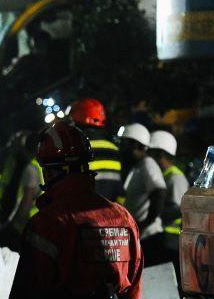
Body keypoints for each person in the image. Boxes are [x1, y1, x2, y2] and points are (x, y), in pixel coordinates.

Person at [3, 121, 143, 299]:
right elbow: (132, 287)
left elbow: (28, 296)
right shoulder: (122, 217)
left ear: (52, 170)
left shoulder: (47, 223)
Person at [119, 123, 169, 266]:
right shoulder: (138, 166)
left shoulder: (148, 163)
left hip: (150, 238)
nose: (121, 148)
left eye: (124, 144)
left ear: (135, 144)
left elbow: (159, 191)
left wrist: (146, 223)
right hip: (142, 237)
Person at [0, 130, 42, 249]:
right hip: (41, 222)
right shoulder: (44, 166)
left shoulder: (30, 169)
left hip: (26, 224)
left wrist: (14, 225)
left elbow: (27, 200)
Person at [69, 97, 125, 203]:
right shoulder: (113, 149)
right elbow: (118, 189)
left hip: (81, 215)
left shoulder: (76, 148)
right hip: (109, 214)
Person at [148, 130, 186, 273]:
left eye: (151, 153)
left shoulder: (175, 178)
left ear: (160, 154)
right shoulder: (162, 175)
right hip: (162, 237)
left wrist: (152, 213)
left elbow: (178, 209)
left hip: (171, 240)